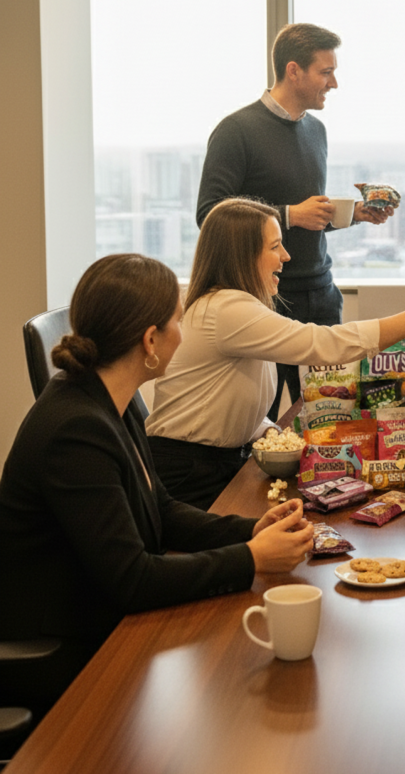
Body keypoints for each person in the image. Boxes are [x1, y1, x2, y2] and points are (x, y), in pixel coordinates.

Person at [0, 254, 314, 716]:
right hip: (60, 643)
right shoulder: (76, 430)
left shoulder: (109, 397)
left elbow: (160, 509)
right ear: (151, 340)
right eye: (177, 321)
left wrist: (248, 531)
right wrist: (251, 559)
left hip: (94, 609)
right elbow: (133, 580)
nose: (182, 335)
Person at [146, 198, 405, 509]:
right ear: (242, 256)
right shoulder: (225, 309)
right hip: (189, 474)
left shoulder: (232, 307)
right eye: (275, 247)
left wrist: (265, 429)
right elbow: (321, 345)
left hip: (211, 462)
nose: (286, 256)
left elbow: (220, 395)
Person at [196, 22, 394, 416]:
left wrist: (352, 215)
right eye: (326, 72)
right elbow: (209, 213)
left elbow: (308, 216)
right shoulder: (235, 131)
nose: (334, 83)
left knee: (331, 414)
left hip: (321, 293)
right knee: (262, 419)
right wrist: (288, 214)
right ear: (293, 71)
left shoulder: (316, 131)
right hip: (264, 298)